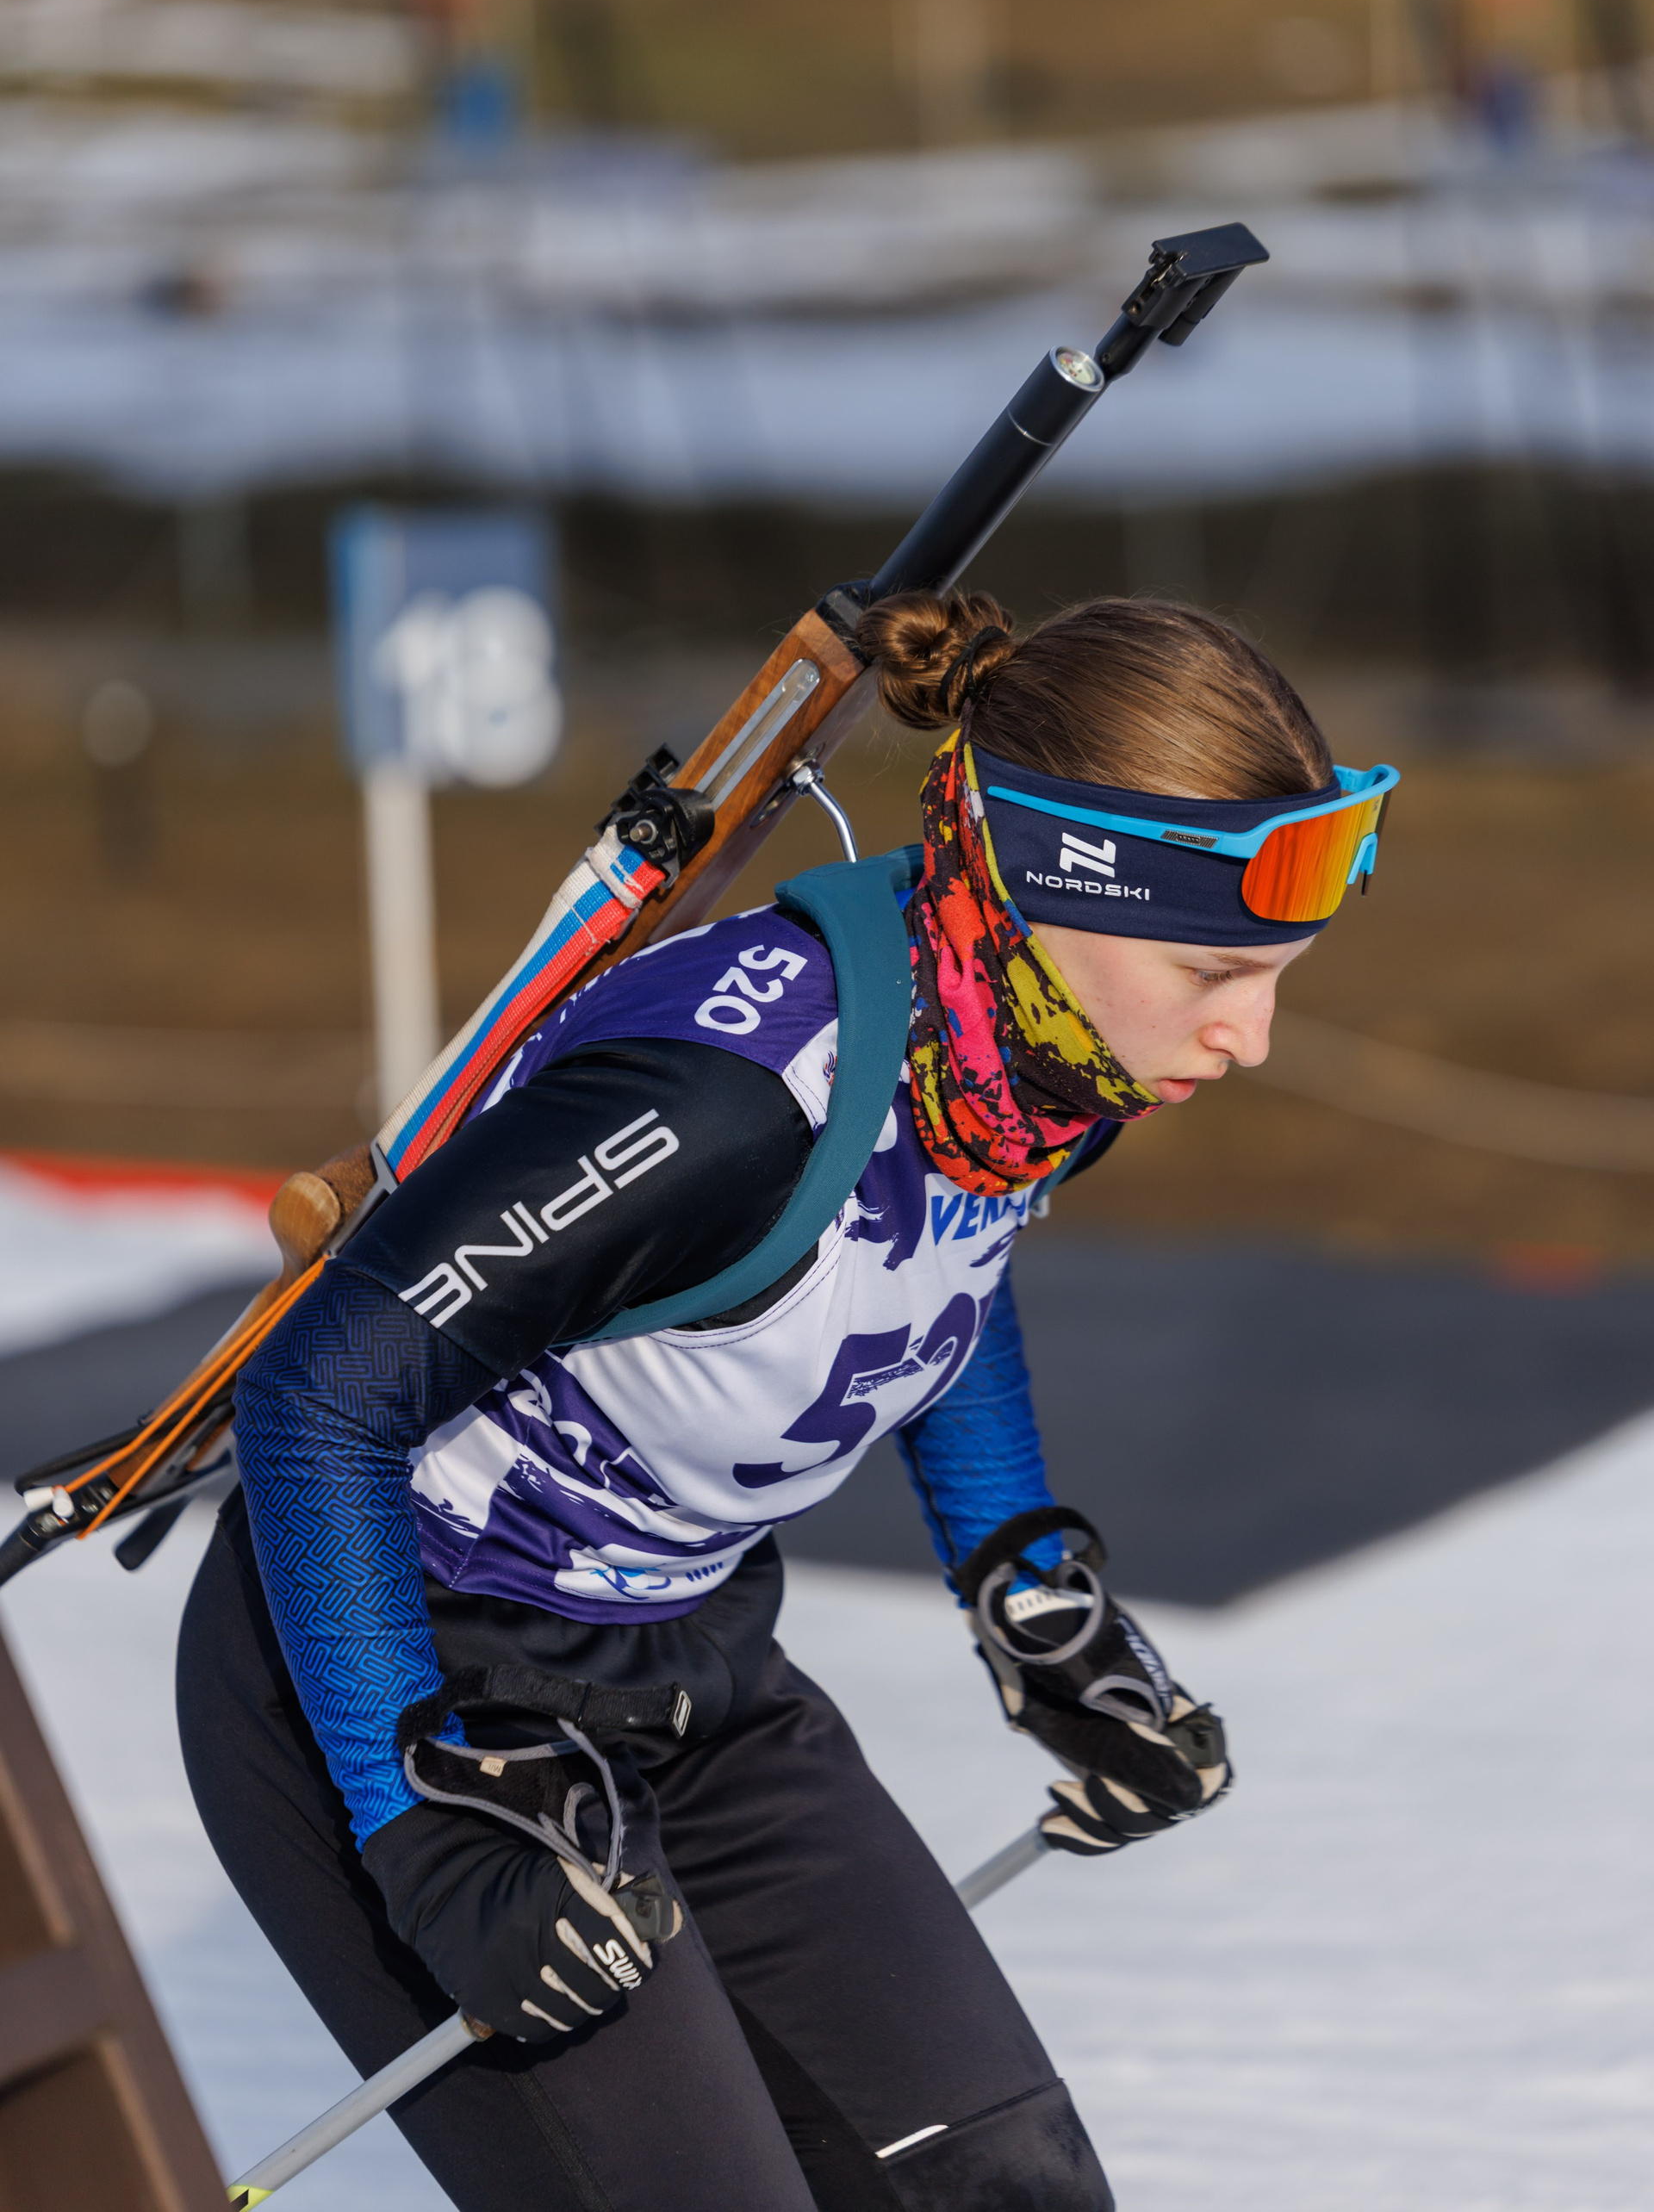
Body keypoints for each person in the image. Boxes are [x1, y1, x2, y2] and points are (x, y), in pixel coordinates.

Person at [177, 591, 1396, 2212]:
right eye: (1214, 971)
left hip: (689, 1669)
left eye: (1279, 977)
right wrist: (419, 1817)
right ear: (1048, 887)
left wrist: (1033, 1592)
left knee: (1009, 2190)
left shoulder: (1036, 1048)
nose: (1250, 1036)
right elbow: (318, 1396)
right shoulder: (731, 1101)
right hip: (403, 1673)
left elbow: (943, 1267)